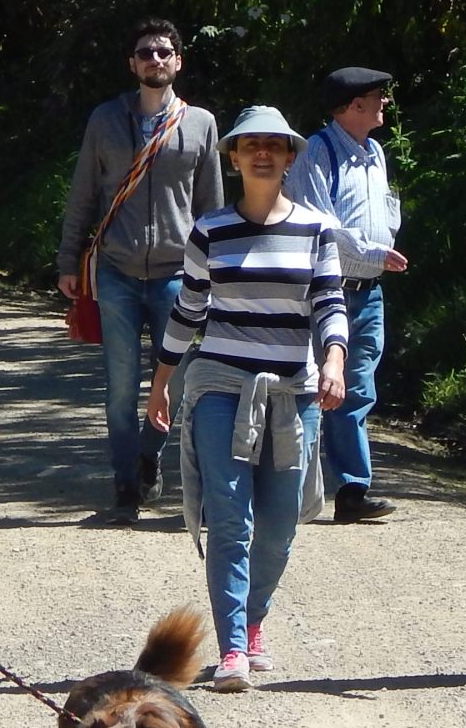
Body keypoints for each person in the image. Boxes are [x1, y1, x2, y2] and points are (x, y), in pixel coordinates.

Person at [148, 107, 349, 692]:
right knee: (230, 518)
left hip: (292, 391)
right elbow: (189, 309)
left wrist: (334, 361)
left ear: (289, 158)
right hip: (219, 386)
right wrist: (161, 382)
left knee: (280, 523)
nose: (263, 153)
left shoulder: (316, 229)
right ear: (233, 158)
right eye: (251, 145)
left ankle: (254, 619)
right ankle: (233, 644)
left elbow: (329, 303)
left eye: (274, 145)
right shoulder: (210, 230)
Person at [56, 18, 223, 521]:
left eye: (164, 52)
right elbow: (83, 193)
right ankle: (126, 483)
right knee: (121, 385)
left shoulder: (201, 124)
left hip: (178, 274)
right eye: (146, 52)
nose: (155, 59)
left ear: (178, 62)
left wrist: (218, 271)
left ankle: (149, 454)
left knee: (175, 382)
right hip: (117, 271)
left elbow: (212, 208)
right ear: (132, 63)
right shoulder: (105, 119)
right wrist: (68, 260)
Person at [285, 66, 406, 523]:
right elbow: (320, 222)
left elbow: (385, 211)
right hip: (326, 289)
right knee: (312, 388)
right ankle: (291, 490)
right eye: (377, 97)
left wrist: (381, 250)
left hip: (370, 291)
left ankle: (353, 492)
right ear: (354, 105)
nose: (384, 103)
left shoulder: (375, 152)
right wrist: (373, 251)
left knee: (356, 389)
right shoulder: (317, 151)